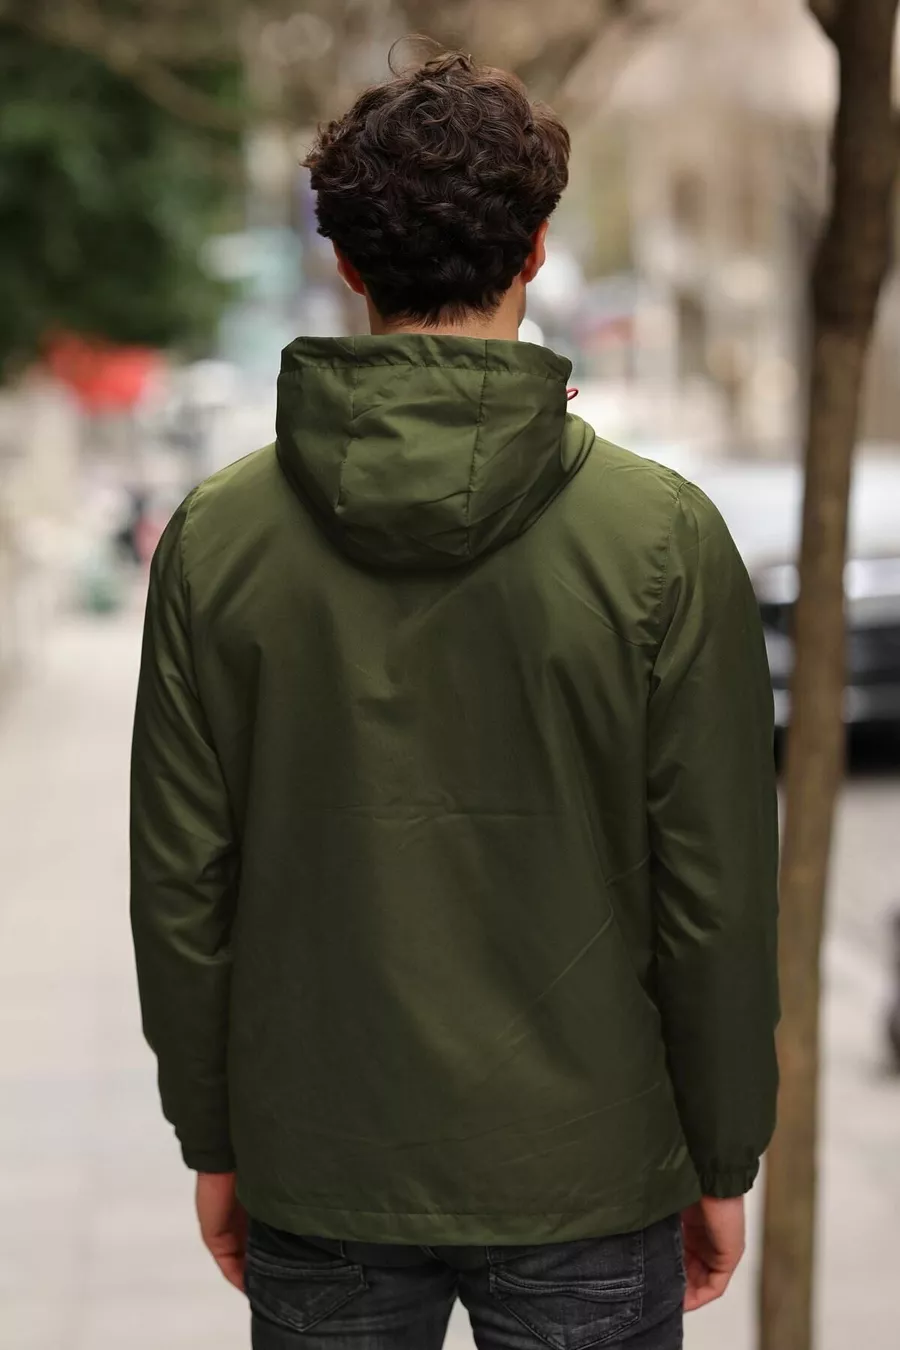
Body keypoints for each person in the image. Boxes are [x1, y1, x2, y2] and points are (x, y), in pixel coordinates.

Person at [130, 50, 779, 1350]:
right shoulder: (662, 537)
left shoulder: (216, 539)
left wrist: (215, 1134)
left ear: (346, 262)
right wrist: (724, 1150)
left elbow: (182, 884)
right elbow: (714, 888)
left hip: (321, 1156)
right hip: (590, 1168)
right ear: (537, 250)